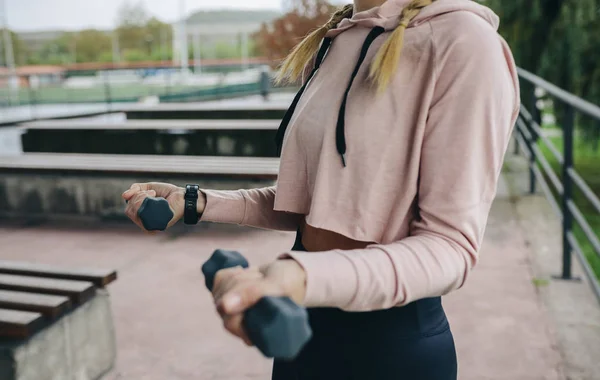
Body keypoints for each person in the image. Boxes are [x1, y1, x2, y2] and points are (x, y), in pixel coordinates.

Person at [122, 0, 520, 378]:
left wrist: (299, 276)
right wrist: (196, 202)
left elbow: (450, 247)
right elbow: (318, 202)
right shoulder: (335, 40)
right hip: (301, 327)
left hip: (390, 348)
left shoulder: (466, 44)